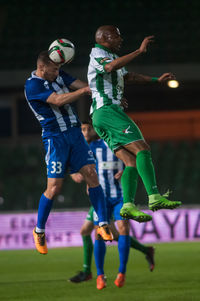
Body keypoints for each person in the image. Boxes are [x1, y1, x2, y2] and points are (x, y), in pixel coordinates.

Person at [87, 25, 181, 223]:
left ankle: (128, 205)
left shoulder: (110, 55)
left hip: (104, 115)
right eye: (116, 36)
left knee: (130, 162)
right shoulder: (98, 53)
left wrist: (156, 80)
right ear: (104, 37)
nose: (120, 39)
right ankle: (154, 197)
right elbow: (110, 68)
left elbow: (128, 77)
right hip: (107, 111)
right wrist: (139, 51)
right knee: (143, 150)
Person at [24, 50, 113, 255]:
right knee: (54, 188)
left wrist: (102, 93)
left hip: (75, 134)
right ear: (42, 68)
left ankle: (103, 223)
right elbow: (57, 100)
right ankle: (39, 231)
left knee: (92, 174)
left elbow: (82, 86)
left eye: (58, 69)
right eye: (54, 69)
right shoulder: (33, 84)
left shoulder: (58, 74)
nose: (58, 72)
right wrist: (83, 93)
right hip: (55, 138)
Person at [69, 122, 155, 289]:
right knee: (100, 233)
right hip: (100, 198)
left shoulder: (122, 144)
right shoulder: (93, 147)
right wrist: (83, 179)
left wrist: (129, 169)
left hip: (121, 196)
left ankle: (121, 272)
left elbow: (140, 160)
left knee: (123, 228)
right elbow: (80, 165)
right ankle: (100, 275)